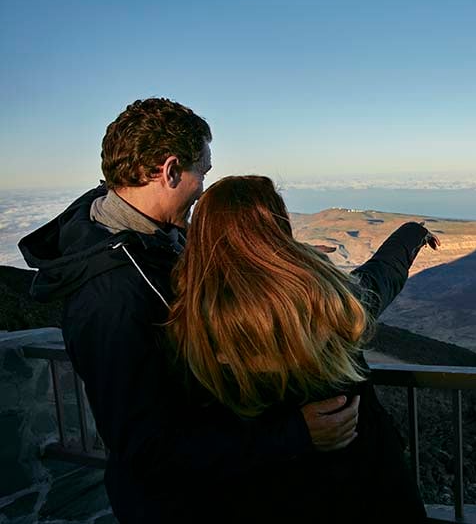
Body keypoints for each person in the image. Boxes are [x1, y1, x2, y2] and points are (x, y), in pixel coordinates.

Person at [18, 99, 360, 522]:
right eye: (204, 172)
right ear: (172, 171)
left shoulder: (149, 241)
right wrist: (293, 436)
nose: (203, 188)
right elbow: (146, 448)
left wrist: (284, 255)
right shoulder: (112, 295)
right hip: (179, 507)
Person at [167, 175, 439, 522]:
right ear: (275, 227)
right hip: (362, 483)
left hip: (263, 493)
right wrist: (412, 235)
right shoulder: (319, 300)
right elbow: (377, 280)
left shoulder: (189, 321)